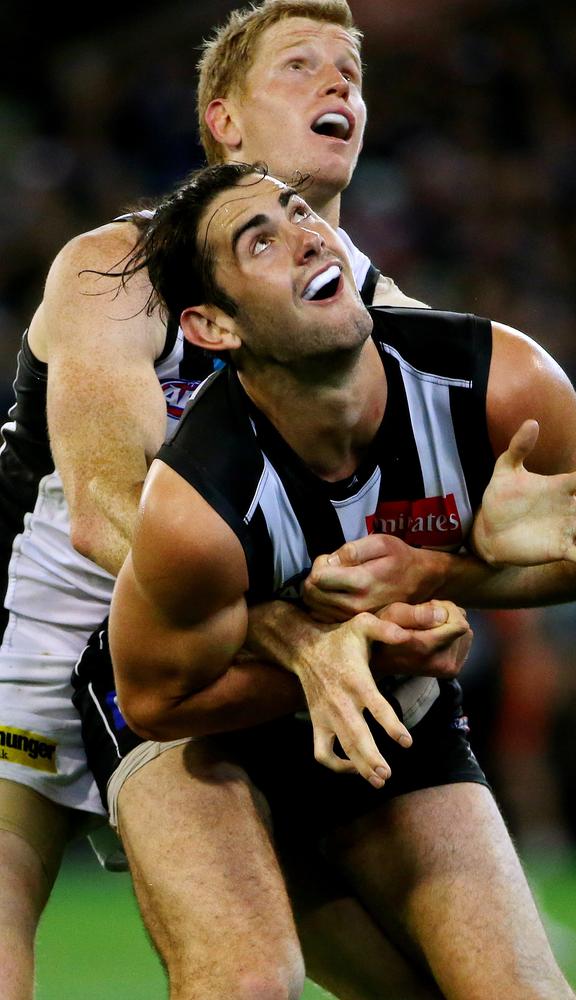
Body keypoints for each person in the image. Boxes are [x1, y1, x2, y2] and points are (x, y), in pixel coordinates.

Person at [102, 161, 576, 1000]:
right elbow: (152, 699)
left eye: (297, 214)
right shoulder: (197, 505)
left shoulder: (497, 379)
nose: (308, 236)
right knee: (247, 984)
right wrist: (325, 662)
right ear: (212, 326)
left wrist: (450, 570)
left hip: (392, 713)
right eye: (263, 241)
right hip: (199, 735)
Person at [0, 4, 443, 997]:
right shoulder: (122, 268)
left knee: (369, 981)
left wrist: (455, 571)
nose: (339, 84)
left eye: (350, 70)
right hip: (34, 646)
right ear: (224, 122)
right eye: (299, 67)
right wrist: (292, 628)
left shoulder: (386, 320)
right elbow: (105, 512)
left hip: (201, 675)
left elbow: (478, 502)